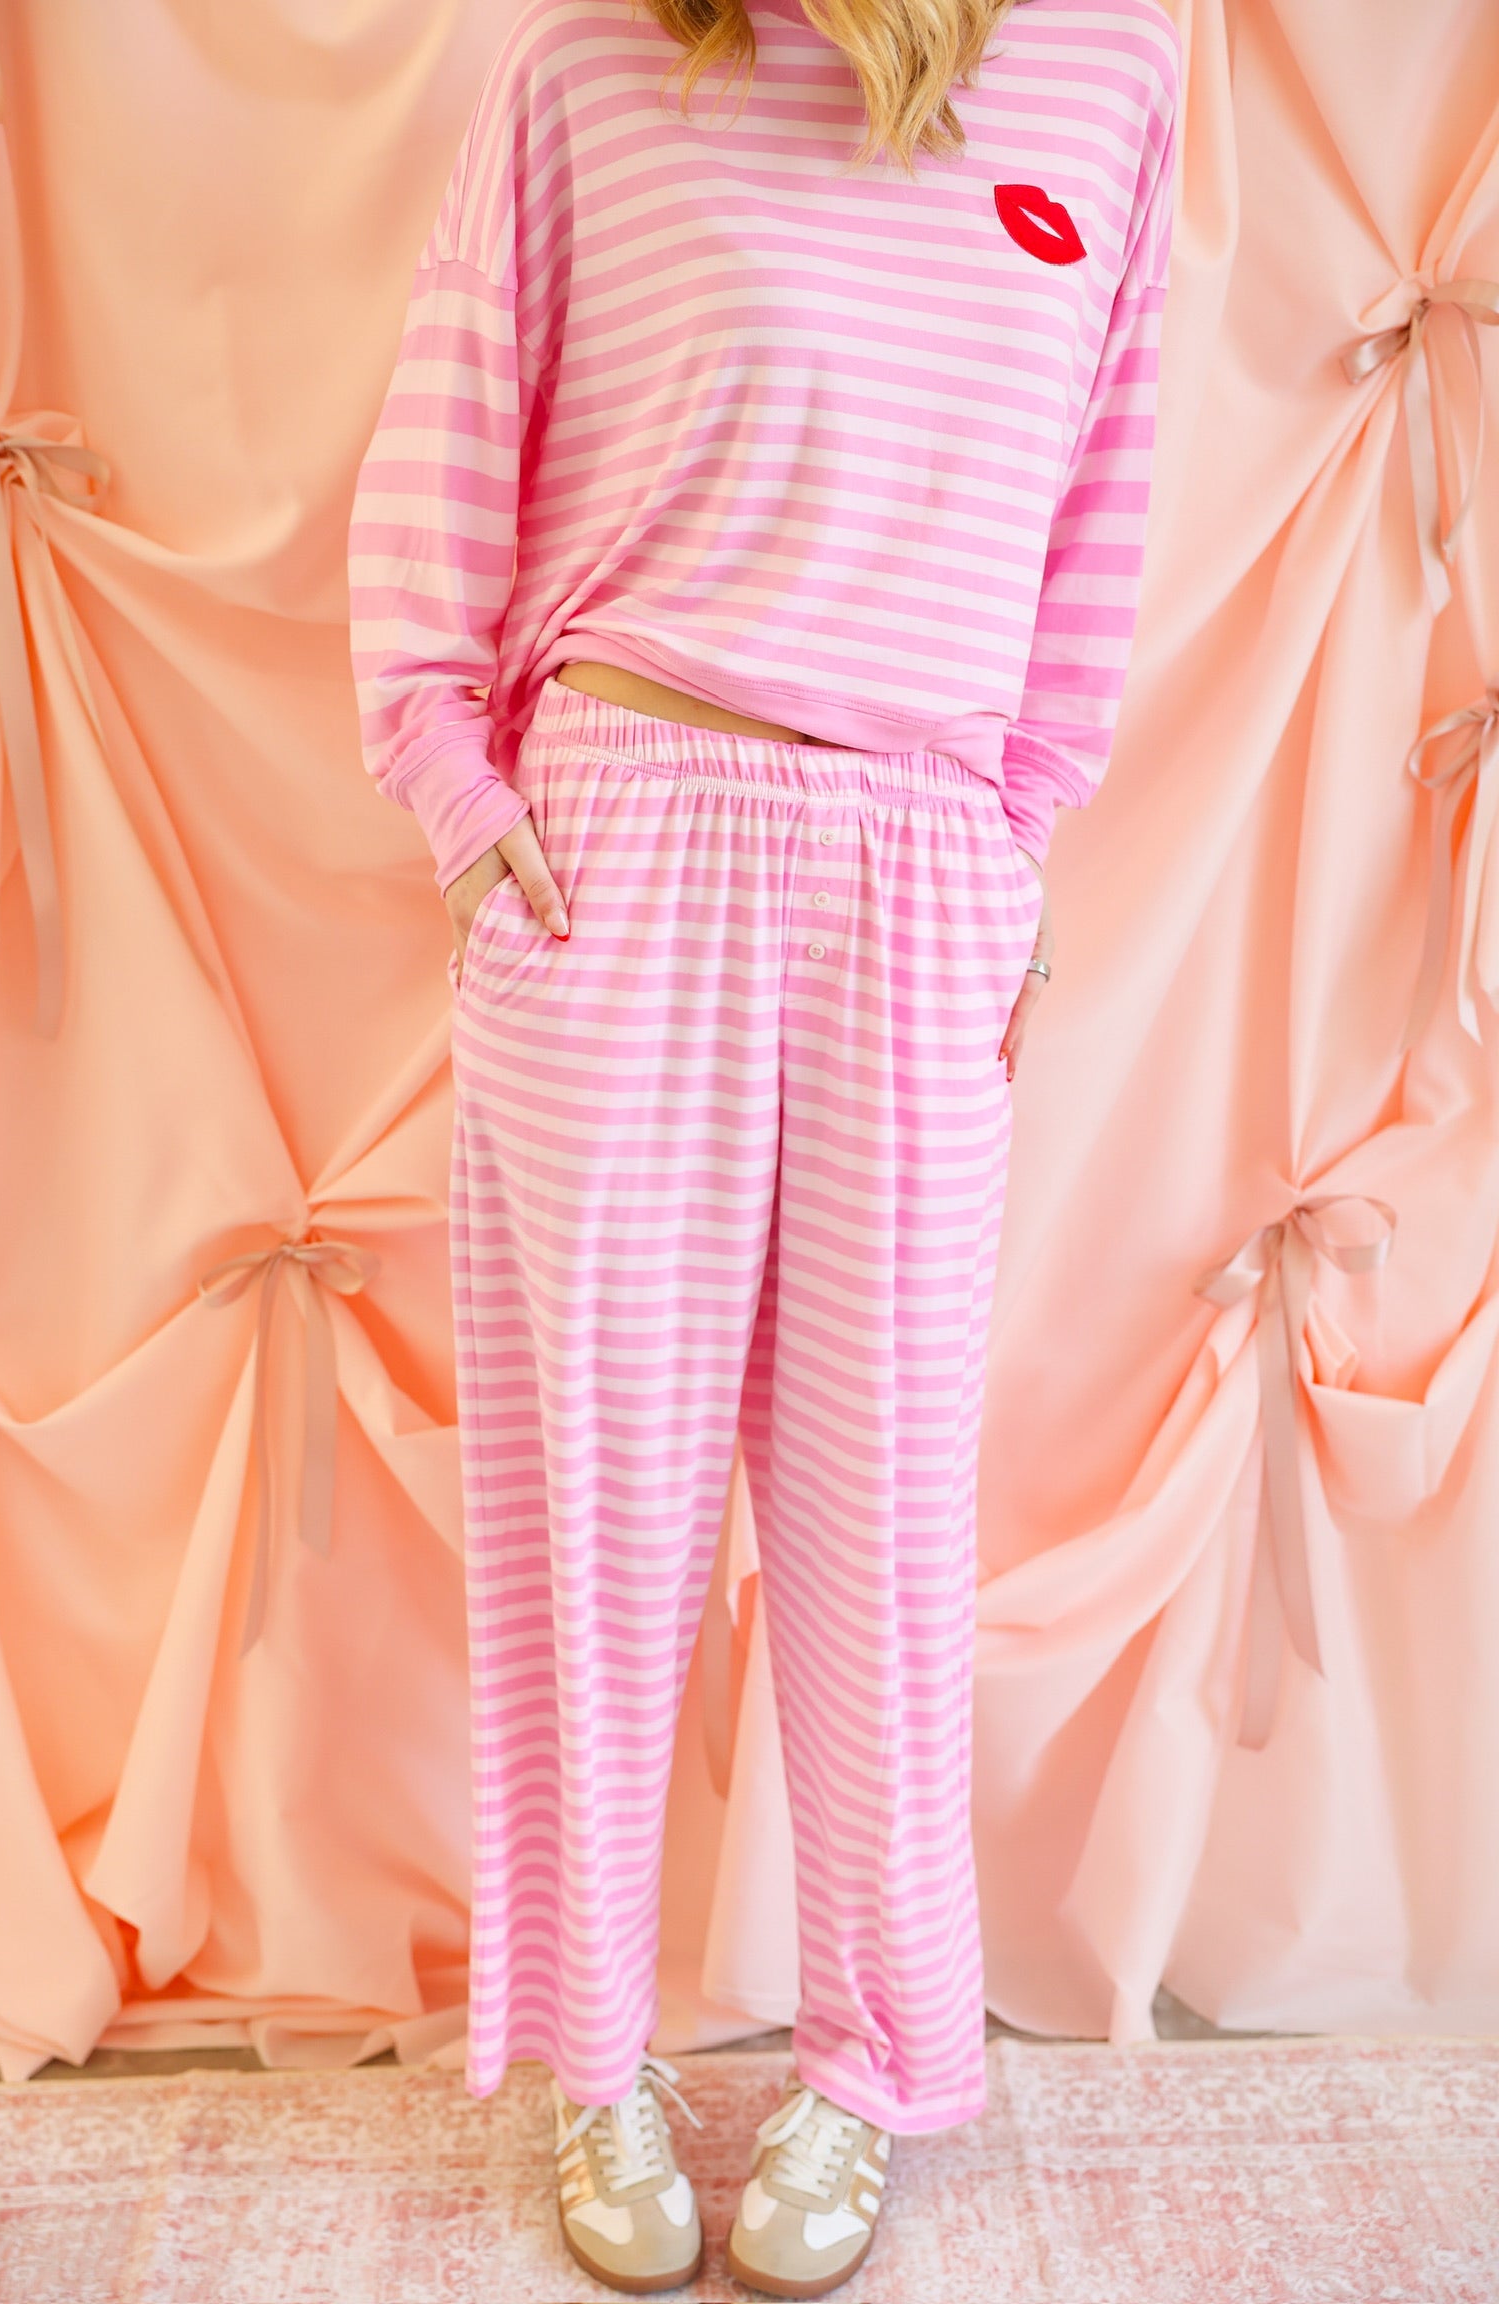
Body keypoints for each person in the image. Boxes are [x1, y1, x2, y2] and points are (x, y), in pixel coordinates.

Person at [349, 0, 1177, 2288]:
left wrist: (1010, 842)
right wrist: (462, 800)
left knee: (882, 1522)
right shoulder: (594, 69)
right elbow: (446, 443)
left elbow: (1104, 492)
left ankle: (871, 2066)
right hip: (622, 836)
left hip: (919, 863)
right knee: (595, 1520)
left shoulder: (1112, 70)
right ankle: (592, 2060)